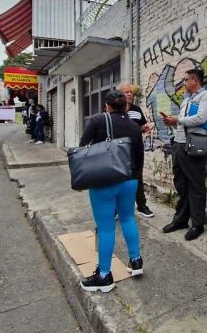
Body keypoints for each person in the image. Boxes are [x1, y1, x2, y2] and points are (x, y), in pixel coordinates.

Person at [78, 90, 145, 293]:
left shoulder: (97, 121)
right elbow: (140, 156)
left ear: (106, 106)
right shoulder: (134, 126)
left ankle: (104, 276)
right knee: (128, 219)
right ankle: (135, 262)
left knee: (106, 227)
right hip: (131, 179)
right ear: (125, 105)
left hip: (104, 181)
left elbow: (83, 148)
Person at [160, 68, 207, 241]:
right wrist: (172, 120)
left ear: (195, 80)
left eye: (185, 80)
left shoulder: (206, 96)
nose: (184, 83)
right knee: (181, 184)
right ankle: (181, 220)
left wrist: (178, 120)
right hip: (179, 145)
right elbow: (184, 121)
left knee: (196, 185)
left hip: (194, 146)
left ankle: (198, 224)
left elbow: (201, 119)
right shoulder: (187, 99)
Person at [119, 83, 155, 218]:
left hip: (136, 150)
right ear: (119, 95)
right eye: (126, 92)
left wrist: (144, 129)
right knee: (117, 179)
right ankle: (117, 208)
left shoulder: (137, 110)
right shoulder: (111, 110)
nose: (130, 94)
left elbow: (140, 127)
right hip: (118, 152)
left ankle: (141, 205)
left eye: (131, 92)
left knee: (137, 179)